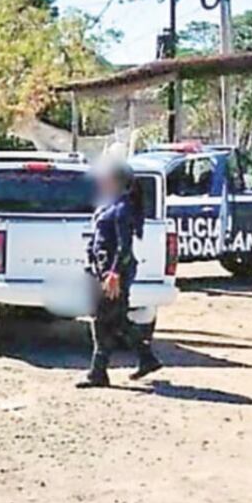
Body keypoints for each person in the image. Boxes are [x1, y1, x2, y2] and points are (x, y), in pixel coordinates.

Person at [76, 160, 163, 389]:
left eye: (106, 177)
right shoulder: (108, 204)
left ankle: (99, 371)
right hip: (102, 270)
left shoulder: (123, 208)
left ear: (116, 180)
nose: (101, 180)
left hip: (115, 272)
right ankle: (145, 358)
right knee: (114, 319)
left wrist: (114, 273)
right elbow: (97, 237)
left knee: (104, 318)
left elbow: (124, 247)